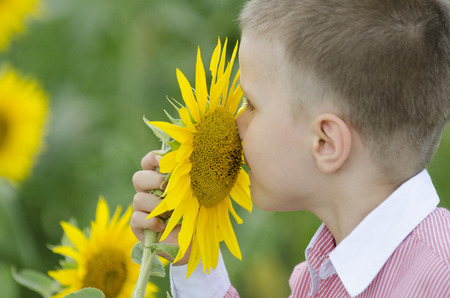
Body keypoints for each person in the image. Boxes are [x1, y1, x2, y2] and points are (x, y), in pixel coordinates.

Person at [131, 0, 450, 296]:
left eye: (251, 104)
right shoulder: (323, 271)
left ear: (325, 143)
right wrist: (191, 258)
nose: (236, 123)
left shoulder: (438, 279)